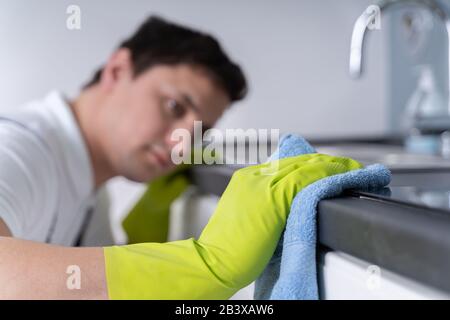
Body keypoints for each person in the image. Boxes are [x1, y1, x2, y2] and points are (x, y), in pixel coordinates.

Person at [0, 16, 362, 299]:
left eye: (199, 132)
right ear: (117, 71)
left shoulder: (90, 184)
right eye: (174, 107)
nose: (182, 142)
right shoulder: (20, 147)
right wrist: (206, 265)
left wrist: (141, 239)